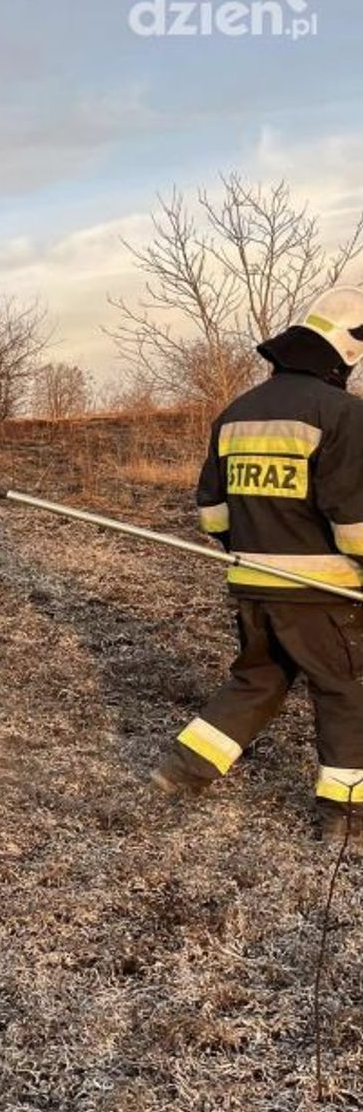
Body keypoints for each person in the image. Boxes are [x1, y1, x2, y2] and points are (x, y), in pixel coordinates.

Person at [151, 286, 363, 842]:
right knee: (346, 690)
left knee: (259, 678)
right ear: (345, 354)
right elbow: (356, 526)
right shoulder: (343, 416)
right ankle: (346, 818)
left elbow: (213, 516)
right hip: (323, 590)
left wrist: (254, 547)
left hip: (251, 585)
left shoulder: (236, 413)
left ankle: (182, 772)